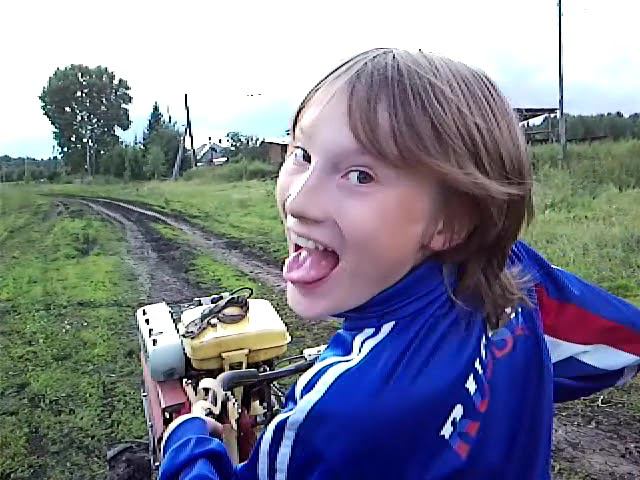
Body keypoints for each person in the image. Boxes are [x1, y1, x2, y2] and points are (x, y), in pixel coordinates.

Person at [159, 48, 640, 479]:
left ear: (451, 221)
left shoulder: (335, 415)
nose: (298, 202)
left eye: (359, 175)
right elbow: (618, 345)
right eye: (301, 154)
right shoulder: (514, 273)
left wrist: (187, 440)